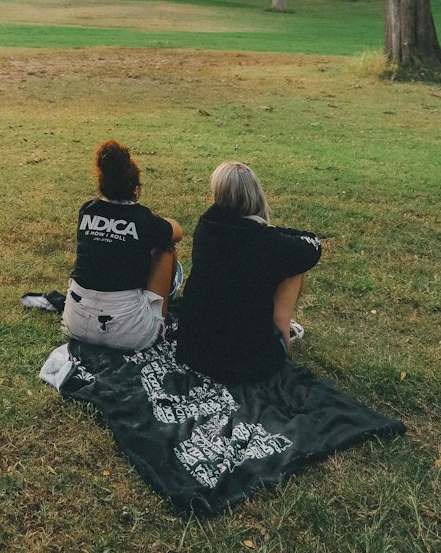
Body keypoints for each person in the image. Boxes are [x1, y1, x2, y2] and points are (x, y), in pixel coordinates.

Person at [176, 161, 321, 382]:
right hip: (247, 363)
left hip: (193, 351)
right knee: (296, 269)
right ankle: (282, 337)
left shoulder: (205, 228)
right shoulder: (268, 243)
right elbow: (313, 247)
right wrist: (271, 230)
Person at [61, 139, 183, 351]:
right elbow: (178, 232)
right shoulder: (142, 218)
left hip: (76, 324)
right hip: (129, 333)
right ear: (136, 188)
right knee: (165, 246)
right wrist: (162, 222)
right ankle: (166, 295)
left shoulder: (87, 210)